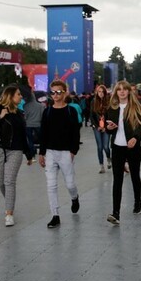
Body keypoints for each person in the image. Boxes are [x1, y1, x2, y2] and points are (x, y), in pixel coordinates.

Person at [38, 80, 81, 229]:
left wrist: (73, 151)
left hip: (66, 153)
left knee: (70, 184)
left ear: (64, 93)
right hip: (50, 152)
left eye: (58, 92)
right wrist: (41, 153)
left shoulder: (71, 111)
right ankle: (55, 215)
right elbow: (43, 133)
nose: (55, 95)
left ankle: (74, 198)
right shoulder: (47, 111)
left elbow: (76, 132)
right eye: (53, 92)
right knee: (51, 185)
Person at [0, 85, 29, 226]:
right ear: (10, 96)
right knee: (1, 182)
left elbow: (23, 135)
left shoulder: (19, 114)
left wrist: (29, 154)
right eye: (18, 94)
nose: (21, 97)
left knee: (9, 181)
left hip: (15, 150)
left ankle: (9, 213)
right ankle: (9, 201)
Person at [105, 80, 141, 222]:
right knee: (117, 180)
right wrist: (109, 128)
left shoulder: (136, 106)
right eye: (119, 89)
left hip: (133, 147)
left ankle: (138, 203)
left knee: (135, 175)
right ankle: (115, 212)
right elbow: (108, 126)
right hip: (117, 147)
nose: (122, 92)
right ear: (116, 92)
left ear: (129, 91)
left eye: (124, 89)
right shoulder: (112, 108)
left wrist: (135, 138)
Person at [89, 85, 112, 173]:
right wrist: (96, 126)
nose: (101, 93)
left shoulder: (108, 102)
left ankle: (109, 158)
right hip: (97, 127)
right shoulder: (93, 102)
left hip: (106, 127)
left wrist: (105, 127)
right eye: (99, 92)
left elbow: (110, 115)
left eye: (103, 92)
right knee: (99, 147)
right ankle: (101, 166)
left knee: (106, 146)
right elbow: (91, 115)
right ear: (97, 92)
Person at [23, 89, 45, 164]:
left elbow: (25, 116)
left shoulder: (25, 105)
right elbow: (42, 115)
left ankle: (32, 154)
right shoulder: (40, 105)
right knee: (41, 139)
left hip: (28, 124)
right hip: (38, 124)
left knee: (30, 140)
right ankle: (42, 153)